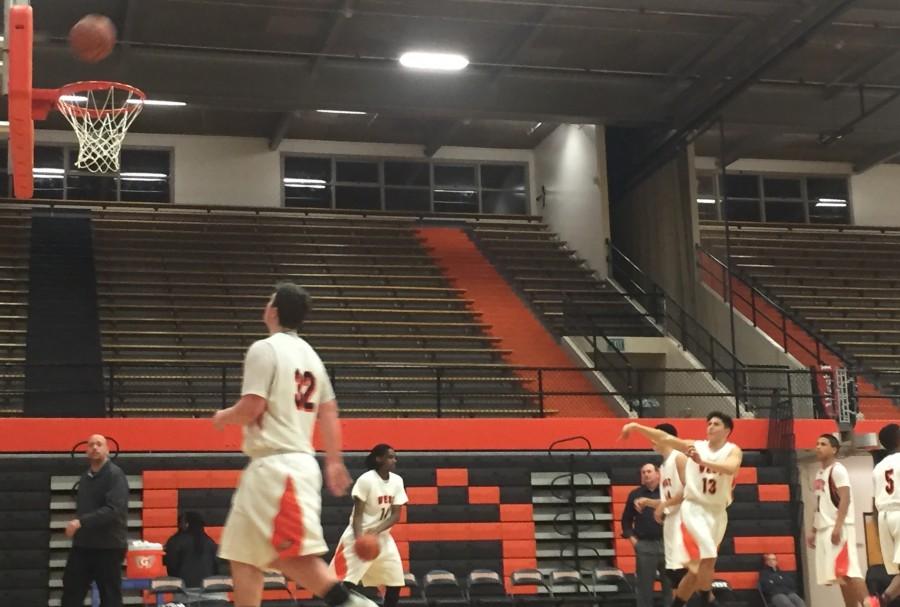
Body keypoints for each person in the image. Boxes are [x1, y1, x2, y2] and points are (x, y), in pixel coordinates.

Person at [213, 282, 376, 607]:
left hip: (278, 467)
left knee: (293, 558)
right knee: (242, 556)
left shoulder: (265, 348)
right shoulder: (311, 355)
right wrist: (333, 460)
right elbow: (329, 411)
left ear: (272, 310)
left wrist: (223, 416)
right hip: (274, 467)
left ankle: (356, 605)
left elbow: (252, 407)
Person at [620, 411, 743, 607]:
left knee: (701, 568)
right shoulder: (694, 446)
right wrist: (636, 427)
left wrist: (702, 462)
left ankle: (692, 600)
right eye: (708, 423)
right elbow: (666, 437)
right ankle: (707, 599)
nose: (710, 426)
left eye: (716, 424)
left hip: (718, 512)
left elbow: (731, 468)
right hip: (695, 509)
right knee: (700, 563)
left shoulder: (732, 450)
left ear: (727, 430)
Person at [330, 444, 408, 607]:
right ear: (379, 459)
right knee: (345, 584)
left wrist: (377, 531)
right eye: (390, 457)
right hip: (359, 535)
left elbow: (395, 515)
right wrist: (360, 540)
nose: (394, 460)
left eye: (395, 457)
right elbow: (357, 516)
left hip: (383, 538)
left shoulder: (397, 481)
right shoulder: (366, 480)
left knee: (395, 583)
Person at [809, 433, 878, 607]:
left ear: (834, 449)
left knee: (849, 569)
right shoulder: (819, 473)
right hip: (825, 527)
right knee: (840, 575)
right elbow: (819, 504)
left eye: (823, 444)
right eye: (817, 443)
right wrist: (814, 529)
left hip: (839, 526)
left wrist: (838, 526)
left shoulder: (838, 469)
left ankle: (870, 604)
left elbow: (845, 499)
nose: (818, 447)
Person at [61, 434, 130, 607]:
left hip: (109, 547)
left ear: (107, 449)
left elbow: (113, 509)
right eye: (91, 445)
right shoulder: (86, 477)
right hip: (83, 545)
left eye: (99, 444)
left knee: (110, 596)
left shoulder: (115, 475)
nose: (95, 448)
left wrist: (80, 522)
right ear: (86, 451)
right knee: (71, 592)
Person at [621, 461, 670, 607]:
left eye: (649, 471)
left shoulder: (667, 493)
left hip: (668, 545)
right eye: (643, 472)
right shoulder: (635, 494)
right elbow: (626, 520)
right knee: (644, 588)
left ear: (657, 473)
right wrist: (634, 541)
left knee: (671, 586)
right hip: (645, 546)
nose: (646, 474)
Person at [653, 423, 688, 602]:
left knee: (684, 574)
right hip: (672, 521)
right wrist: (651, 503)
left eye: (654, 435)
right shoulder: (663, 466)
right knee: (674, 574)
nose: (651, 440)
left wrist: (663, 504)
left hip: (684, 519)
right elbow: (669, 497)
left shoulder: (679, 458)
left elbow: (689, 490)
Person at [873, 423, 900, 606]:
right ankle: (881, 599)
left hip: (883, 517)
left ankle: (882, 599)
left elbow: (873, 502)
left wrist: (876, 528)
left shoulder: (878, 467)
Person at [163, 511, 221, 587]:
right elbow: (216, 567)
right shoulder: (210, 542)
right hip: (209, 589)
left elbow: (171, 566)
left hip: (184, 591)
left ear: (186, 524)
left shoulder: (176, 541)